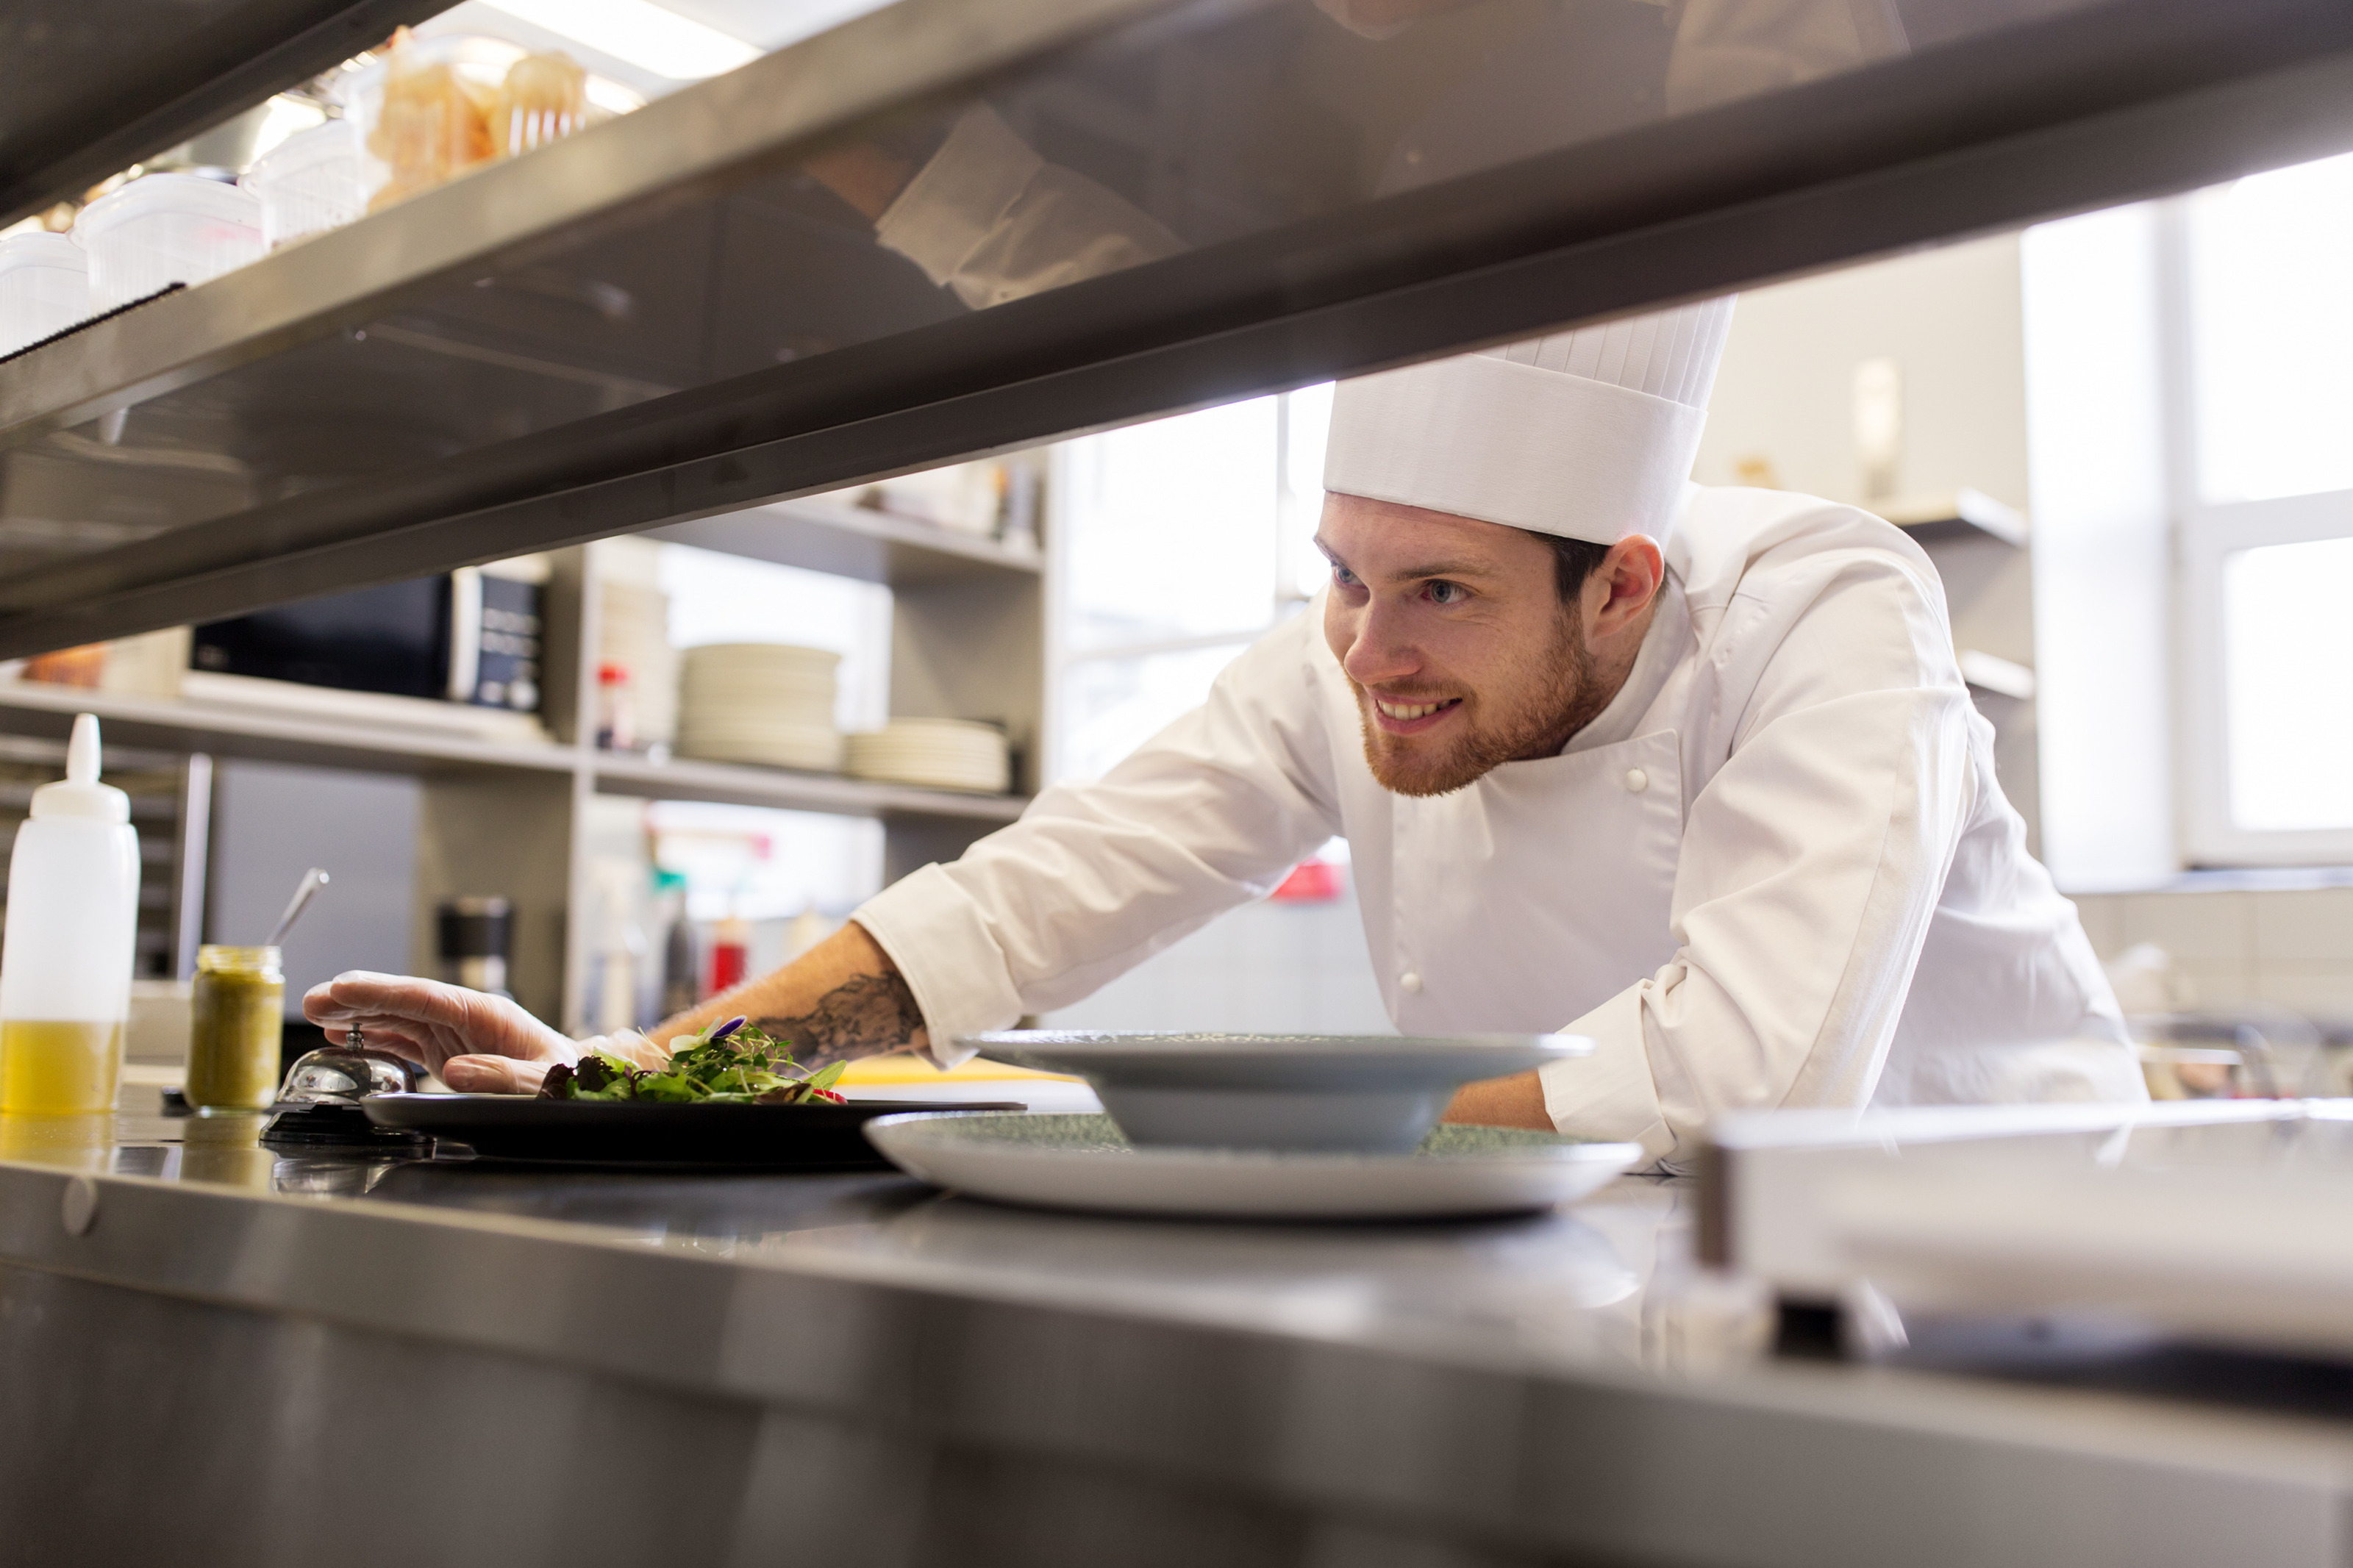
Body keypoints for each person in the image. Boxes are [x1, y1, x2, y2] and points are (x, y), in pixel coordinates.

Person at [308, 295, 2143, 1170]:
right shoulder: (1343, 658)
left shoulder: (1826, 608)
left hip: (2018, 1282)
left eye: (1439, 591)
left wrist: (1194, 1120)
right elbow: (1018, 907)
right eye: (1342, 575)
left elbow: (1741, 1081)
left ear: (1620, 585)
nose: (1369, 650)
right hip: (1632, 1254)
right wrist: (631, 1078)